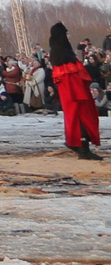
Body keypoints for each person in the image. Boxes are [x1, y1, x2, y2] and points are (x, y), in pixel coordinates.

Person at [48, 23, 101, 161]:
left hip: (75, 92)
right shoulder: (60, 52)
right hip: (75, 93)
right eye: (65, 34)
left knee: (80, 118)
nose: (68, 36)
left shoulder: (61, 50)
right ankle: (82, 148)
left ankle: (81, 146)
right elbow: (67, 75)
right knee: (80, 118)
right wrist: (79, 92)